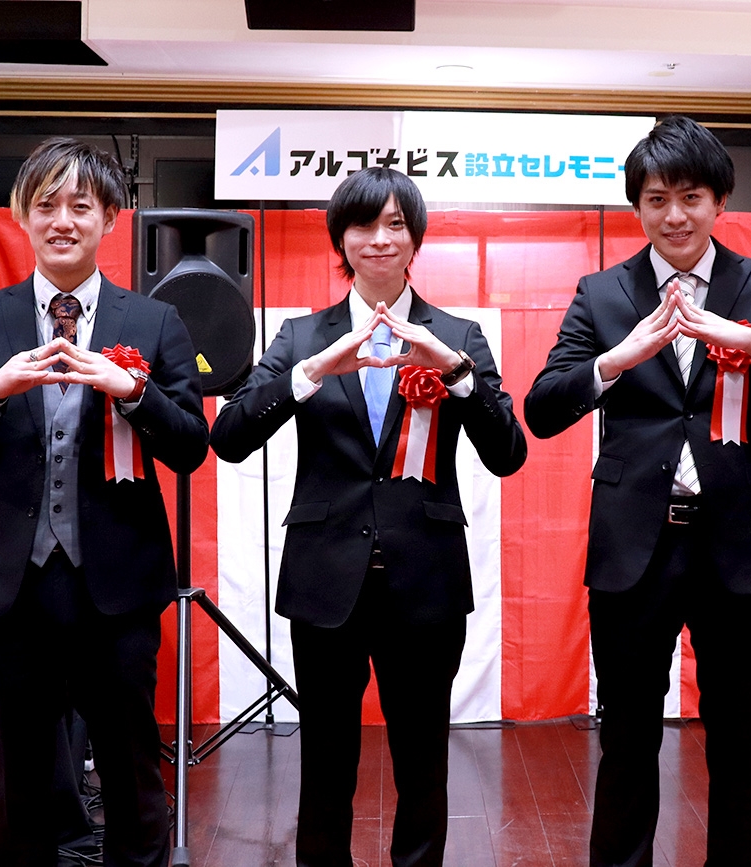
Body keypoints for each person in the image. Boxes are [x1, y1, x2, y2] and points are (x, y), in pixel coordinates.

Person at [524, 115, 751, 867]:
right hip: (634, 547)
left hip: (739, 543)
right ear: (637, 206)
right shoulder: (602, 293)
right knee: (627, 732)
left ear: (720, 201)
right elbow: (541, 409)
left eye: (691, 197)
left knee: (738, 732)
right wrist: (615, 359)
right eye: (656, 199)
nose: (674, 215)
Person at [209, 167, 527, 867]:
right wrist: (310, 373)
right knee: (326, 759)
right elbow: (228, 437)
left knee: (423, 758)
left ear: (416, 238)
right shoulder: (301, 335)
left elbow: (508, 453)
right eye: (362, 225)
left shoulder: (459, 334)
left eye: (395, 224)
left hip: (428, 578)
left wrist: (459, 376)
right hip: (325, 578)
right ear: (340, 239)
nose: (379, 239)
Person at [0, 137, 209, 867]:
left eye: (81, 205)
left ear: (110, 217)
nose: (62, 221)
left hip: (119, 588)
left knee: (133, 774)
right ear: (22, 215)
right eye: (46, 205)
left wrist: (133, 392)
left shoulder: (155, 322)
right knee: (15, 784)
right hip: (6, 592)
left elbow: (191, 447)